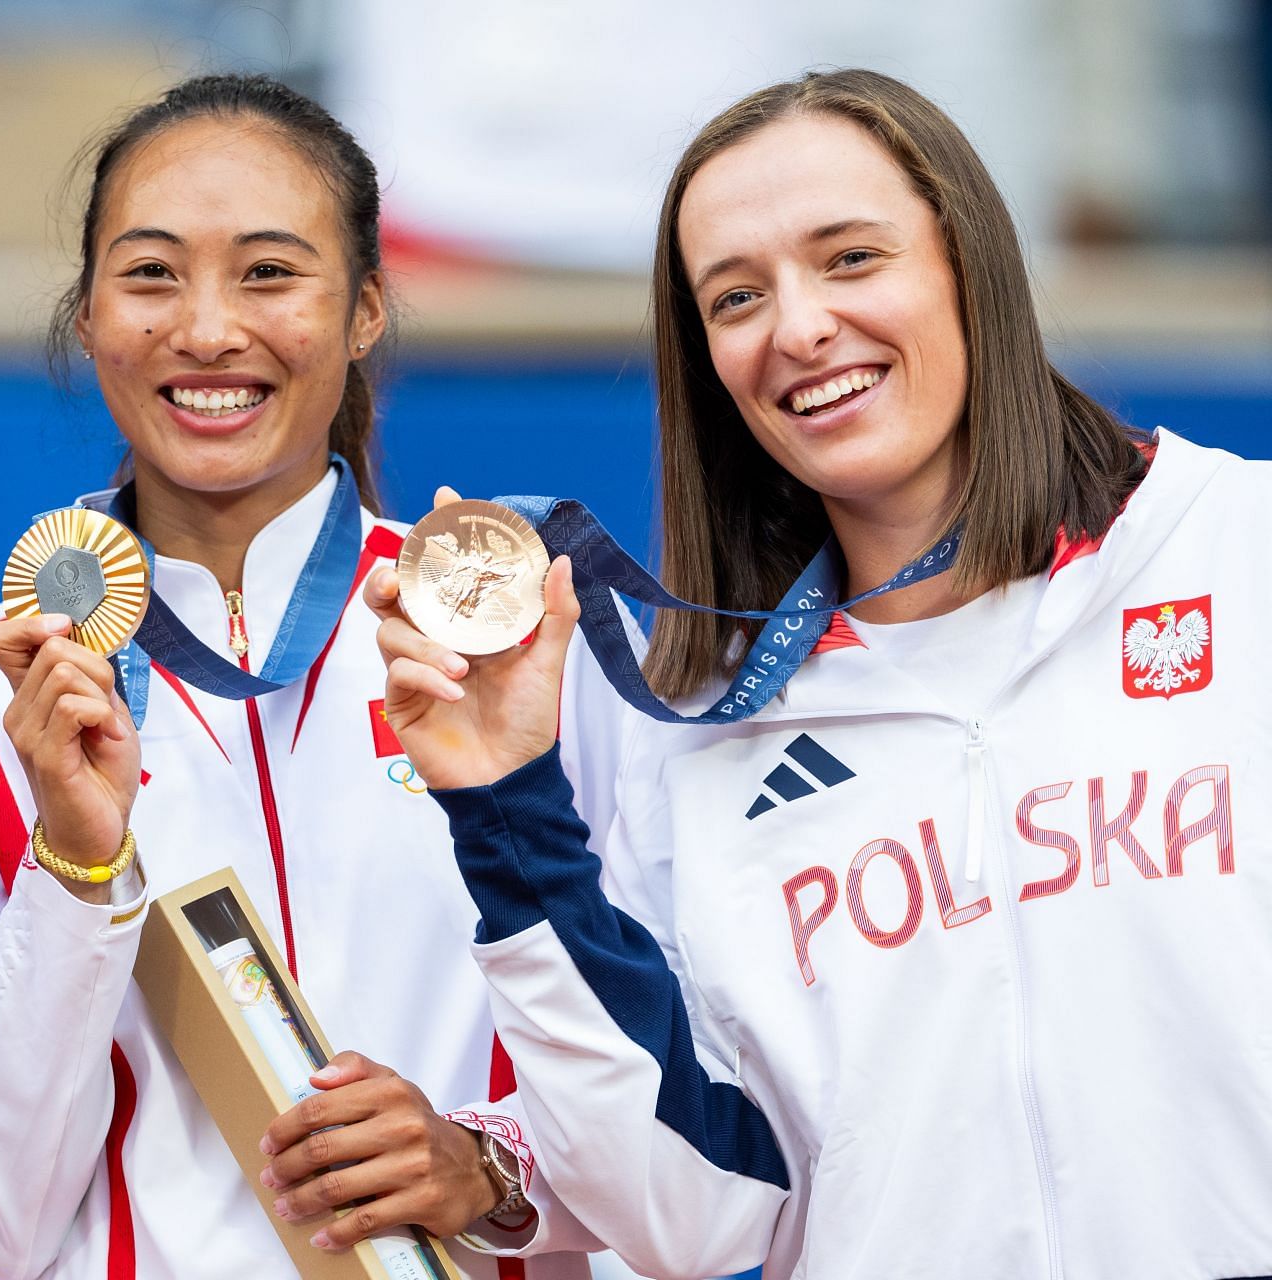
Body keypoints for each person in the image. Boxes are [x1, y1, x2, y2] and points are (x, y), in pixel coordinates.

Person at [373, 65, 1272, 1280]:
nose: (798, 327)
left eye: (851, 258)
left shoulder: (1240, 551)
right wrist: (506, 803)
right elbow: (695, 1213)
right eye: (736, 296)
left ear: (969, 263)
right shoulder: (698, 733)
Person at [0, 73, 630, 1279]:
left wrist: (487, 1164)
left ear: (366, 308)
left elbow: (685, 1105)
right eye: (152, 273)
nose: (209, 329)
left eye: (270, 272)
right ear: (86, 315)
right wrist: (73, 867)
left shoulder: (524, 638)